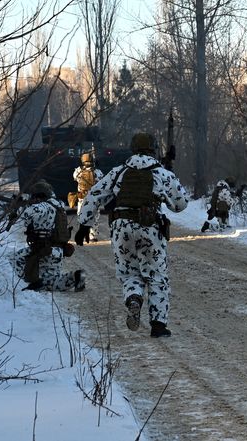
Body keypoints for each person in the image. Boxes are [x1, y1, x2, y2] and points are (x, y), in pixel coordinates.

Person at [74, 132, 188, 338]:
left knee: (129, 273)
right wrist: (168, 176)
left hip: (121, 227)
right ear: (153, 149)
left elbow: (94, 195)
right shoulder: (161, 173)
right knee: (156, 276)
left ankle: (134, 297)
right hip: (150, 227)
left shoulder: (118, 172)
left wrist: (84, 224)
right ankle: (158, 325)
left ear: (132, 149)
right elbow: (180, 205)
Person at [10, 180, 85, 292]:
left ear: (40, 195)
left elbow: (24, 215)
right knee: (51, 281)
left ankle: (31, 282)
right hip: (57, 250)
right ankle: (75, 277)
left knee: (14, 259)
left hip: (44, 248)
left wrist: (16, 208)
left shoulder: (43, 206)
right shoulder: (58, 205)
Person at [72, 153, 102, 241]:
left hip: (82, 197)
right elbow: (101, 181)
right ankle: (93, 235)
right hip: (94, 198)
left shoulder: (78, 171)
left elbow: (75, 178)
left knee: (81, 215)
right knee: (95, 216)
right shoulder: (97, 172)